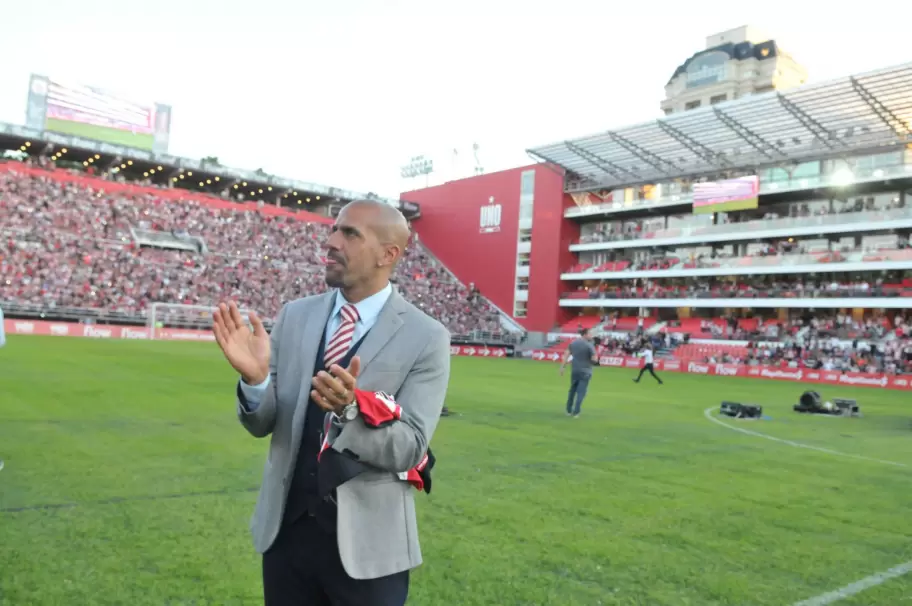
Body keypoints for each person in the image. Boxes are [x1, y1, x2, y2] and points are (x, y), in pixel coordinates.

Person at [211, 200, 451, 606]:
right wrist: (255, 382)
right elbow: (264, 422)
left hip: (369, 549)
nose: (331, 241)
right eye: (334, 229)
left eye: (350, 233)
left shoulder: (427, 337)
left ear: (387, 254)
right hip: (287, 536)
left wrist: (348, 412)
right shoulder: (295, 316)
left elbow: (410, 447)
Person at [559, 328, 598, 417]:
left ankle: (568, 410)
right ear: (584, 334)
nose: (591, 336)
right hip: (585, 371)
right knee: (581, 392)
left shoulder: (573, 343)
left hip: (575, 370)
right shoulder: (589, 345)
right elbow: (594, 359)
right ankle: (576, 411)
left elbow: (566, 354)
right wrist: (593, 363)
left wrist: (562, 367)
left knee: (572, 390)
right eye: (590, 334)